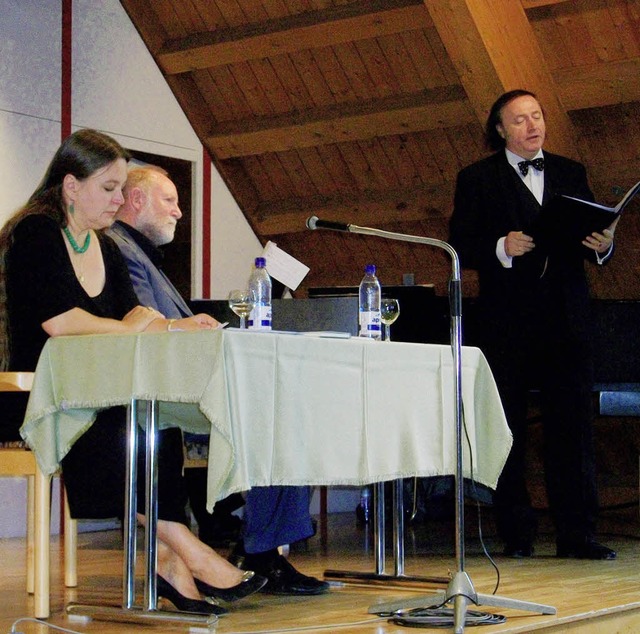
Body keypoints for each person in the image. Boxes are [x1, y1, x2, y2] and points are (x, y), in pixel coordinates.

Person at [0, 129, 269, 615]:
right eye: (109, 188)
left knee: (156, 419)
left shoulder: (106, 247)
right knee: (119, 425)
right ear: (70, 186)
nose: (119, 200)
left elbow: (137, 319)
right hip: (34, 394)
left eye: (123, 188)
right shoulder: (35, 234)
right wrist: (127, 326)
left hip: (95, 391)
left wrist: (173, 325)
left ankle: (169, 559)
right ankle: (188, 550)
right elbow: (62, 322)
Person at [107, 165, 329, 596]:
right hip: (161, 388)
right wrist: (187, 327)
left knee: (285, 410)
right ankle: (260, 551)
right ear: (136, 201)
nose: (178, 212)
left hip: (179, 380)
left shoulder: (140, 252)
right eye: (168, 201)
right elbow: (142, 323)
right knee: (282, 417)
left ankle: (258, 546)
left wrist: (194, 324)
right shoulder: (118, 249)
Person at [448, 89, 617, 560]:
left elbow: (590, 241)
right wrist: (502, 246)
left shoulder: (569, 171)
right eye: (519, 120)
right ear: (500, 129)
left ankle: (577, 534)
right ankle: (515, 533)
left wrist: (603, 244)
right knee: (510, 430)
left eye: (537, 116)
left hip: (567, 319)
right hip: (507, 322)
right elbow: (460, 244)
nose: (532, 126)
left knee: (573, 428)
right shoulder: (477, 178)